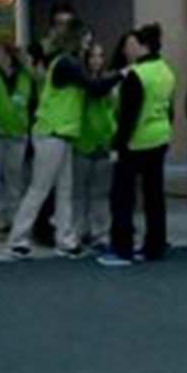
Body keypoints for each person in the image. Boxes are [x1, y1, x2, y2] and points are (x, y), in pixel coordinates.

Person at [7, 22, 96, 259]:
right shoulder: (68, 64)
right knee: (40, 188)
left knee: (64, 189)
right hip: (51, 132)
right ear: (76, 41)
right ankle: (18, 239)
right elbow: (93, 86)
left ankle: (65, 239)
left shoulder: (64, 63)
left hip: (62, 132)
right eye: (86, 40)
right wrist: (121, 74)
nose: (89, 44)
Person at [111, 26, 175, 263]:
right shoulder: (166, 71)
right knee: (154, 195)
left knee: (123, 196)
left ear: (143, 45)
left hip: (136, 141)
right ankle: (155, 245)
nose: (128, 48)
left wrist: (117, 145)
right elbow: (171, 108)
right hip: (159, 137)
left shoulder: (136, 74)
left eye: (133, 44)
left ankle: (122, 247)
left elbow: (128, 115)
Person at [70, 36, 121, 259]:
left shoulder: (111, 83)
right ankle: (79, 231)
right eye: (93, 56)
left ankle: (100, 234)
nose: (96, 60)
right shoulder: (79, 83)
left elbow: (115, 110)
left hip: (104, 140)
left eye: (100, 56)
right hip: (82, 141)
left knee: (100, 193)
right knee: (79, 192)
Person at [0, 42, 35, 233]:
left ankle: (14, 214)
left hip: (18, 132)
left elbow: (34, 98)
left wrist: (28, 63)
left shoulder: (25, 76)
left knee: (15, 176)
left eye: (2, 53)